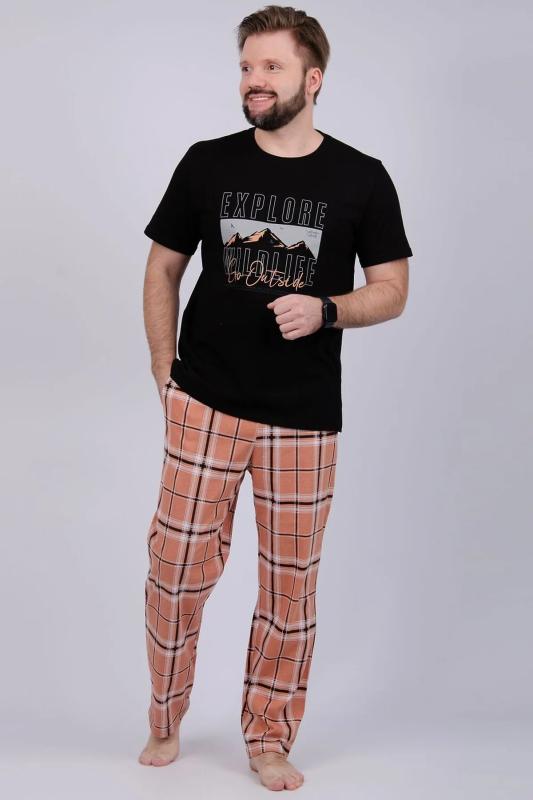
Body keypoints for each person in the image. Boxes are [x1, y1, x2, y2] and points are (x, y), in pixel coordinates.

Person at [138, 5, 412, 791]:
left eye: (270, 68)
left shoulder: (360, 177)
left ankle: (267, 737)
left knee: (288, 587)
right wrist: (164, 371)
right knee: (175, 568)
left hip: (303, 418)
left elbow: (392, 289)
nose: (253, 81)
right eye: (246, 67)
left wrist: (327, 309)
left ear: (311, 79)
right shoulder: (206, 162)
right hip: (205, 401)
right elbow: (162, 269)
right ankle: (165, 717)